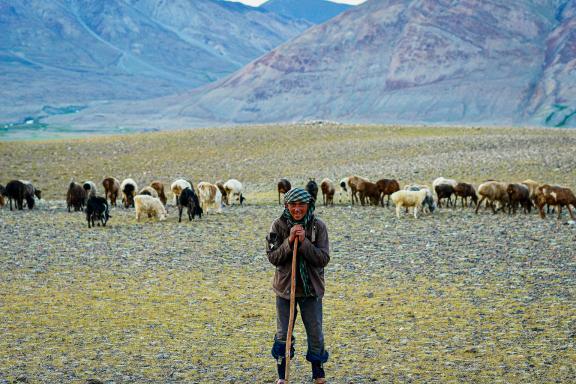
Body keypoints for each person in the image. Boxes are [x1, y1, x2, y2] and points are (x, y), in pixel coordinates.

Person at [266, 187, 330, 384]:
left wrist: (303, 243)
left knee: (315, 332)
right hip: (285, 290)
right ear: (286, 205)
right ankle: (282, 375)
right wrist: (289, 241)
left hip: (311, 289)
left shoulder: (318, 226)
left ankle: (318, 373)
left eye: (301, 205)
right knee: (283, 333)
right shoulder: (277, 226)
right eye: (293, 205)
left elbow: (323, 258)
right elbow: (273, 257)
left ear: (308, 205)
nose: (297, 209)